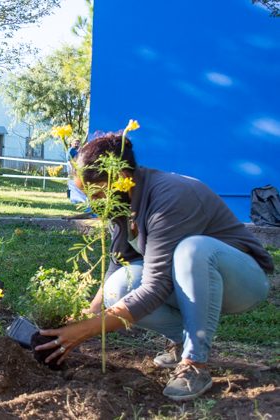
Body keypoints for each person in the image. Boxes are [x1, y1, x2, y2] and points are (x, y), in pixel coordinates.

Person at [35, 133, 273, 401]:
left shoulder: (169, 196)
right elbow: (119, 265)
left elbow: (156, 287)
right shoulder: (122, 202)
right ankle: (183, 342)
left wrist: (89, 330)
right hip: (191, 281)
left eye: (96, 192)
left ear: (121, 176)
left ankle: (195, 364)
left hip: (242, 282)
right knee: (119, 286)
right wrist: (87, 314)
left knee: (192, 250)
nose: (93, 202)